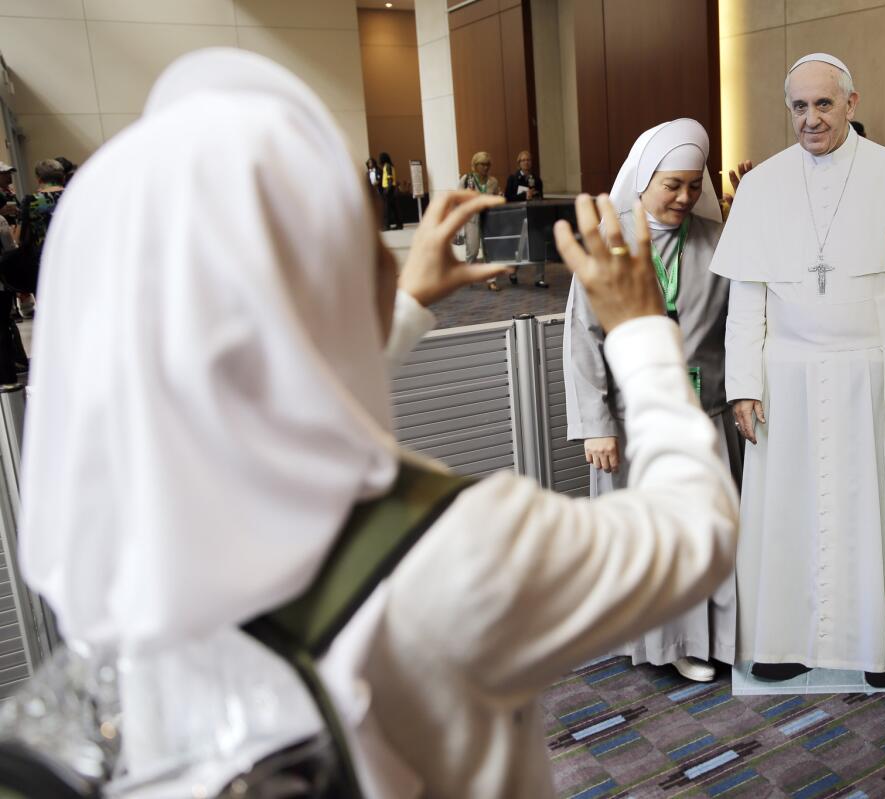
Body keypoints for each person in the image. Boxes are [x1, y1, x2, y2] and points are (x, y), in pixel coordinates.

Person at [16, 48, 738, 797]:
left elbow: (286, 398)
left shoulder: (114, 535)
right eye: (367, 251)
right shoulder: (456, 547)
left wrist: (402, 312)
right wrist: (642, 333)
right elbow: (696, 534)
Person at [710, 52, 885, 687]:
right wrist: (741, 385)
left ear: (852, 104)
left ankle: (883, 646)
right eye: (799, 106)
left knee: (869, 515)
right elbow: (747, 297)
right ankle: (785, 640)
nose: (811, 118)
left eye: (824, 104)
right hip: (785, 380)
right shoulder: (763, 185)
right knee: (786, 516)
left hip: (871, 381)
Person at [564, 118, 737, 683]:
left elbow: (745, 324)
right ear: (643, 180)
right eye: (672, 185)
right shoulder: (608, 246)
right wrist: (596, 425)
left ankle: (693, 640)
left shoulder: (718, 242)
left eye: (693, 185)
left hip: (701, 413)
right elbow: (582, 339)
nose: (686, 197)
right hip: (631, 418)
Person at [504, 150, 550, 288]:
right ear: (519, 163)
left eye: (528, 160)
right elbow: (508, 198)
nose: (526, 162)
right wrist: (524, 196)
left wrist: (535, 197)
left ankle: (540, 278)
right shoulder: (513, 178)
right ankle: (512, 272)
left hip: (534, 216)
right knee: (521, 246)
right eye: (523, 160)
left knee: (539, 246)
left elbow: (541, 198)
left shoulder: (537, 179)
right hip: (519, 217)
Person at [459, 151, 504, 291]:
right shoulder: (467, 179)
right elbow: (458, 198)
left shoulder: (493, 181)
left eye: (487, 164)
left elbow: (497, 197)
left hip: (488, 219)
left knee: (489, 251)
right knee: (472, 250)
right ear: (475, 165)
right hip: (472, 219)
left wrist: (500, 196)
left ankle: (491, 280)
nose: (485, 167)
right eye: (482, 164)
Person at [378, 152, 400, 230]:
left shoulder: (387, 166)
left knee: (387, 209)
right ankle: (399, 224)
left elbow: (390, 179)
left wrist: (386, 190)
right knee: (393, 208)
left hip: (388, 189)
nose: (379, 159)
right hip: (391, 188)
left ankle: (386, 226)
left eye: (380, 158)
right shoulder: (390, 166)